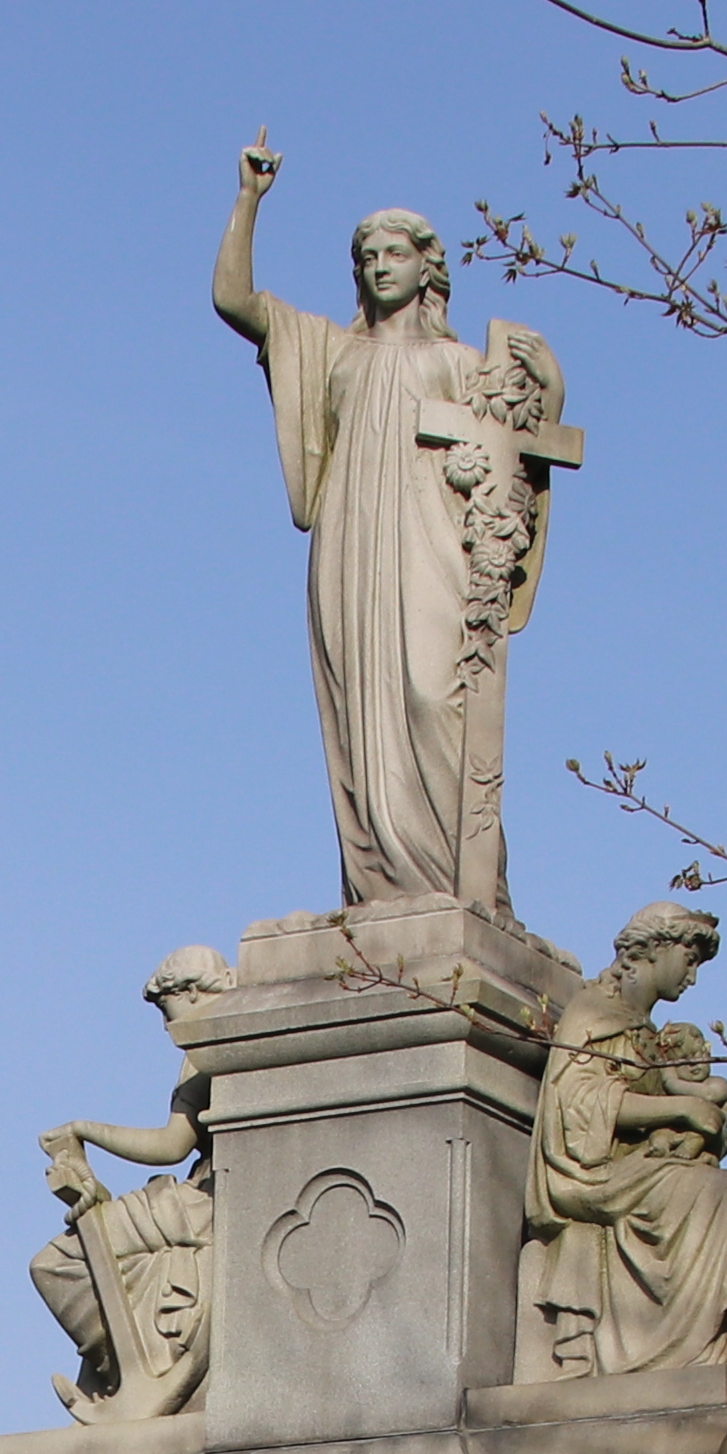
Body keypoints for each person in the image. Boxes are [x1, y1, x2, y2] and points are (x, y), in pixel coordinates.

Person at [214, 134, 570, 931]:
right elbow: (235, 301)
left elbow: (529, 442)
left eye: (395, 253)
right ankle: (381, 896)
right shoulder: (333, 351)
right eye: (367, 255)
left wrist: (544, 378)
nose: (380, 266)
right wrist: (249, 200)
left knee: (432, 694)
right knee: (358, 714)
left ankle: (470, 886)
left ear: (425, 266)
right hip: (347, 544)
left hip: (432, 545)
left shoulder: (458, 361)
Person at [523, 902, 727, 1381]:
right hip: (590, 1173)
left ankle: (714, 1348)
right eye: (689, 961)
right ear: (657, 949)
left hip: (639, 1166)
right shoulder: (594, 1013)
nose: (693, 978)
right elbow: (582, 1108)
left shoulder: (648, 1030)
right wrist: (680, 1110)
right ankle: (698, 1351)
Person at [33, 947, 228, 1419]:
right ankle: (125, 1375)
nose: (167, 1027)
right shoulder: (218, 1044)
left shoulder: (217, 1043)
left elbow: (172, 1145)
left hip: (206, 1203)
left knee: (56, 1262)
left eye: (167, 1011)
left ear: (191, 992)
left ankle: (124, 1376)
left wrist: (85, 1131)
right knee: (67, 1257)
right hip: (201, 1195)